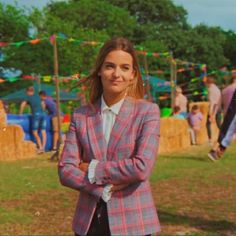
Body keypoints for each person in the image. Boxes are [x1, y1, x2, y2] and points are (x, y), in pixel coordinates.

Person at [58, 37, 161, 236]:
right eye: (109, 66)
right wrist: (101, 189)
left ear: (133, 75)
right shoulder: (81, 116)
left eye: (124, 68)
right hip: (88, 223)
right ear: (99, 70)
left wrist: (94, 168)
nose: (116, 74)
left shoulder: (148, 112)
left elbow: (141, 167)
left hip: (134, 223)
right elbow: (66, 170)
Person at [208, 88, 236, 161]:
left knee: (228, 130)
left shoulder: (226, 90)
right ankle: (216, 150)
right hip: (232, 112)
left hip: (231, 111)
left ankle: (217, 150)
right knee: (228, 130)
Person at [19, 86, 46, 153]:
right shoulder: (38, 96)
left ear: (28, 91)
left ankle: (40, 148)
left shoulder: (28, 97)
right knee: (43, 131)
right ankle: (43, 147)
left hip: (36, 114)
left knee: (34, 132)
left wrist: (20, 113)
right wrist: (42, 111)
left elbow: (23, 104)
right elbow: (43, 104)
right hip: (43, 114)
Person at [204, 75, 222, 144]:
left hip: (214, 108)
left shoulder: (211, 90)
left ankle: (210, 140)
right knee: (219, 124)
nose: (205, 84)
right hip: (218, 107)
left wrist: (211, 113)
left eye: (205, 83)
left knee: (208, 124)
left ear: (208, 82)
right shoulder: (217, 88)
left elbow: (212, 102)